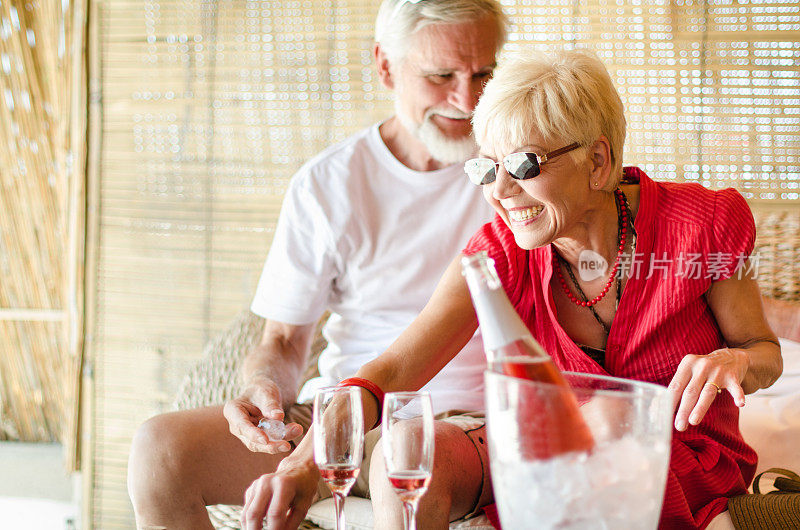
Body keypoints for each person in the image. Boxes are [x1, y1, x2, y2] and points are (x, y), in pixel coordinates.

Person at [241, 48, 783, 530]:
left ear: (597, 161)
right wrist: (302, 467)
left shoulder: (704, 224)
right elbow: (391, 372)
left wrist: (732, 363)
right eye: (485, 168)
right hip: (547, 457)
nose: (500, 191)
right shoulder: (495, 253)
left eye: (524, 164)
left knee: (603, 431)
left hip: (678, 454)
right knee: (408, 448)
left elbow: (764, 353)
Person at [127, 1, 508, 528]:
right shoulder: (329, 184)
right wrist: (265, 389)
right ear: (385, 67)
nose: (467, 99)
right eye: (441, 75)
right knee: (159, 452)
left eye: (484, 73)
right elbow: (282, 342)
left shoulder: (513, 174)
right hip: (339, 420)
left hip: (462, 426)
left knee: (405, 458)